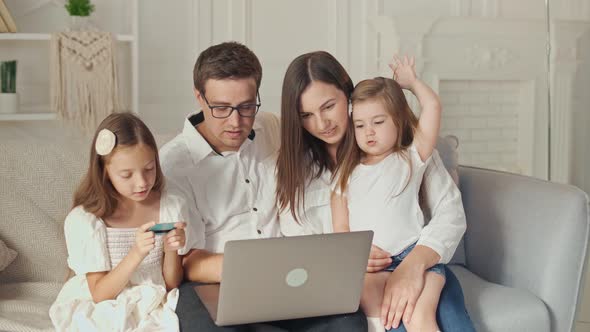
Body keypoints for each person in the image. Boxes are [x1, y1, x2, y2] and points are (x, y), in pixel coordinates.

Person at [159, 41, 367, 331]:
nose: (236, 122)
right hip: (214, 284)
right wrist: (258, 269)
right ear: (199, 97)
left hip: (287, 280)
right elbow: (187, 263)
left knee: (349, 322)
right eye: (221, 108)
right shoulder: (173, 166)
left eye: (246, 107)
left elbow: (327, 135)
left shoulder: (269, 128)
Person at [276, 51, 475, 332]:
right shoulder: (296, 172)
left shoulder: (406, 152)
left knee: (438, 320)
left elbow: (450, 214)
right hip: (360, 279)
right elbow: (303, 249)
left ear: (348, 95)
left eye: (329, 106)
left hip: (418, 262)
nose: (321, 124)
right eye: (306, 115)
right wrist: (348, 253)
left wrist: (414, 265)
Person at [331, 55, 445, 332]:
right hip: (372, 269)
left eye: (378, 122)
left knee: (419, 319)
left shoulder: (410, 158)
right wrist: (356, 254)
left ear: (398, 121)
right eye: (360, 125)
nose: (368, 132)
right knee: (371, 309)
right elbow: (341, 230)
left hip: (415, 261)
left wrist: (412, 83)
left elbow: (432, 106)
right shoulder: (346, 174)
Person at [49, 113, 188, 332]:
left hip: (152, 298)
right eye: (127, 175)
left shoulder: (171, 205)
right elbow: (101, 294)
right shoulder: (86, 220)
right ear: (105, 172)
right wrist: (136, 253)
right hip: (103, 302)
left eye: (149, 169)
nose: (142, 182)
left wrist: (172, 249)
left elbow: (170, 284)